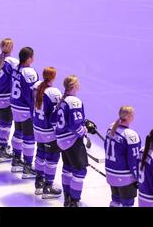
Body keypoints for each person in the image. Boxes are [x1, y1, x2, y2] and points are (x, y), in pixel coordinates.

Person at [55, 75, 88, 207]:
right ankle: (74, 201)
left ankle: (67, 199)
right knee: (80, 171)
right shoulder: (74, 101)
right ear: (74, 86)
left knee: (67, 169)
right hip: (72, 141)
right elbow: (75, 125)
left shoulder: (62, 100)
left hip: (62, 140)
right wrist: (84, 130)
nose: (79, 85)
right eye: (77, 83)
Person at [32, 67, 62, 199]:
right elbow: (56, 114)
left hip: (37, 128)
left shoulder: (37, 87)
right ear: (54, 77)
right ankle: (48, 185)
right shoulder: (54, 92)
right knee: (52, 159)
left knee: (40, 154)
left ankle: (38, 182)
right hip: (49, 131)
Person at [10, 47, 38, 178]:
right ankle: (27, 166)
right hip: (25, 109)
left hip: (15, 105)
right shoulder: (29, 72)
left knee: (18, 132)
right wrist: (35, 109)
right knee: (29, 137)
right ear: (29, 59)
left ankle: (16, 159)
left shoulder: (16, 68)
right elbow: (32, 93)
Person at [104, 106, 141, 207]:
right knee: (127, 203)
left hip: (110, 173)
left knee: (115, 200)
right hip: (124, 177)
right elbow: (133, 161)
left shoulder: (111, 127)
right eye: (132, 115)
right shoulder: (131, 135)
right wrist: (138, 177)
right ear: (129, 116)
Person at [0, 38, 18, 163]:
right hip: (4, 98)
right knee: (5, 124)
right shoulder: (12, 62)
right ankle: (3, 148)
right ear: (12, 48)